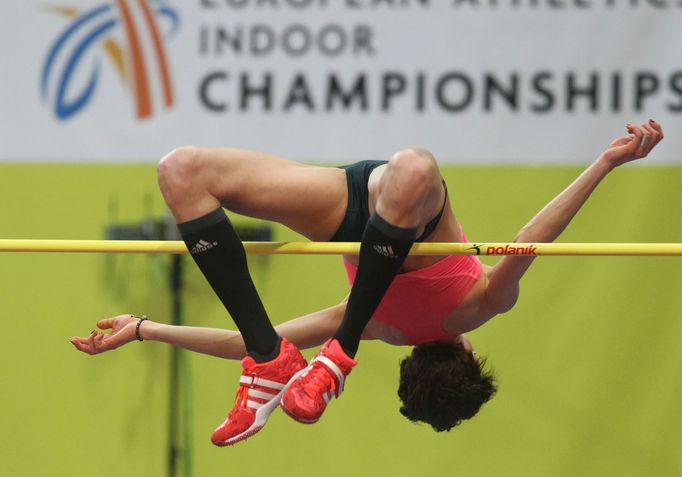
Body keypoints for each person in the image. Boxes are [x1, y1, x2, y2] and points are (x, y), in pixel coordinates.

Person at [71, 120, 664, 446]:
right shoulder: (384, 326)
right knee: (178, 173)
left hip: (366, 204)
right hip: (362, 204)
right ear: (409, 368)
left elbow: (535, 237)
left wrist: (606, 163)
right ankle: (297, 361)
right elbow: (232, 341)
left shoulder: (480, 306)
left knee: (414, 167)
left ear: (469, 354)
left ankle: (300, 360)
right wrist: (145, 329)